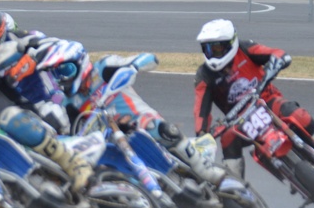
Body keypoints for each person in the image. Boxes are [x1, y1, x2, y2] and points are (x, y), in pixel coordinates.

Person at [48, 43, 234, 187]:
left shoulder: (104, 67)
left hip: (139, 120)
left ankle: (205, 170)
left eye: (66, 69)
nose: (63, 76)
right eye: (57, 72)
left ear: (80, 61)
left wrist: (136, 65)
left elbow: (148, 59)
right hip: (109, 137)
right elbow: (72, 131)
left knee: (162, 129)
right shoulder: (70, 102)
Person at [193, 19, 314, 174]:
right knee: (227, 139)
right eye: (207, 49)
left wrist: (276, 63)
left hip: (266, 102)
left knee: (295, 112)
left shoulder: (244, 48)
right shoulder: (204, 75)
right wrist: (202, 135)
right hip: (239, 121)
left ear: (230, 43)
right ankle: (235, 188)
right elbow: (201, 110)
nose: (212, 54)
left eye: (216, 49)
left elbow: (277, 53)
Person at [0, 8, 95, 191]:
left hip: (44, 100)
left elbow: (58, 45)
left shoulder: (20, 39)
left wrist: (36, 55)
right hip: (11, 107)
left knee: (54, 120)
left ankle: (76, 162)